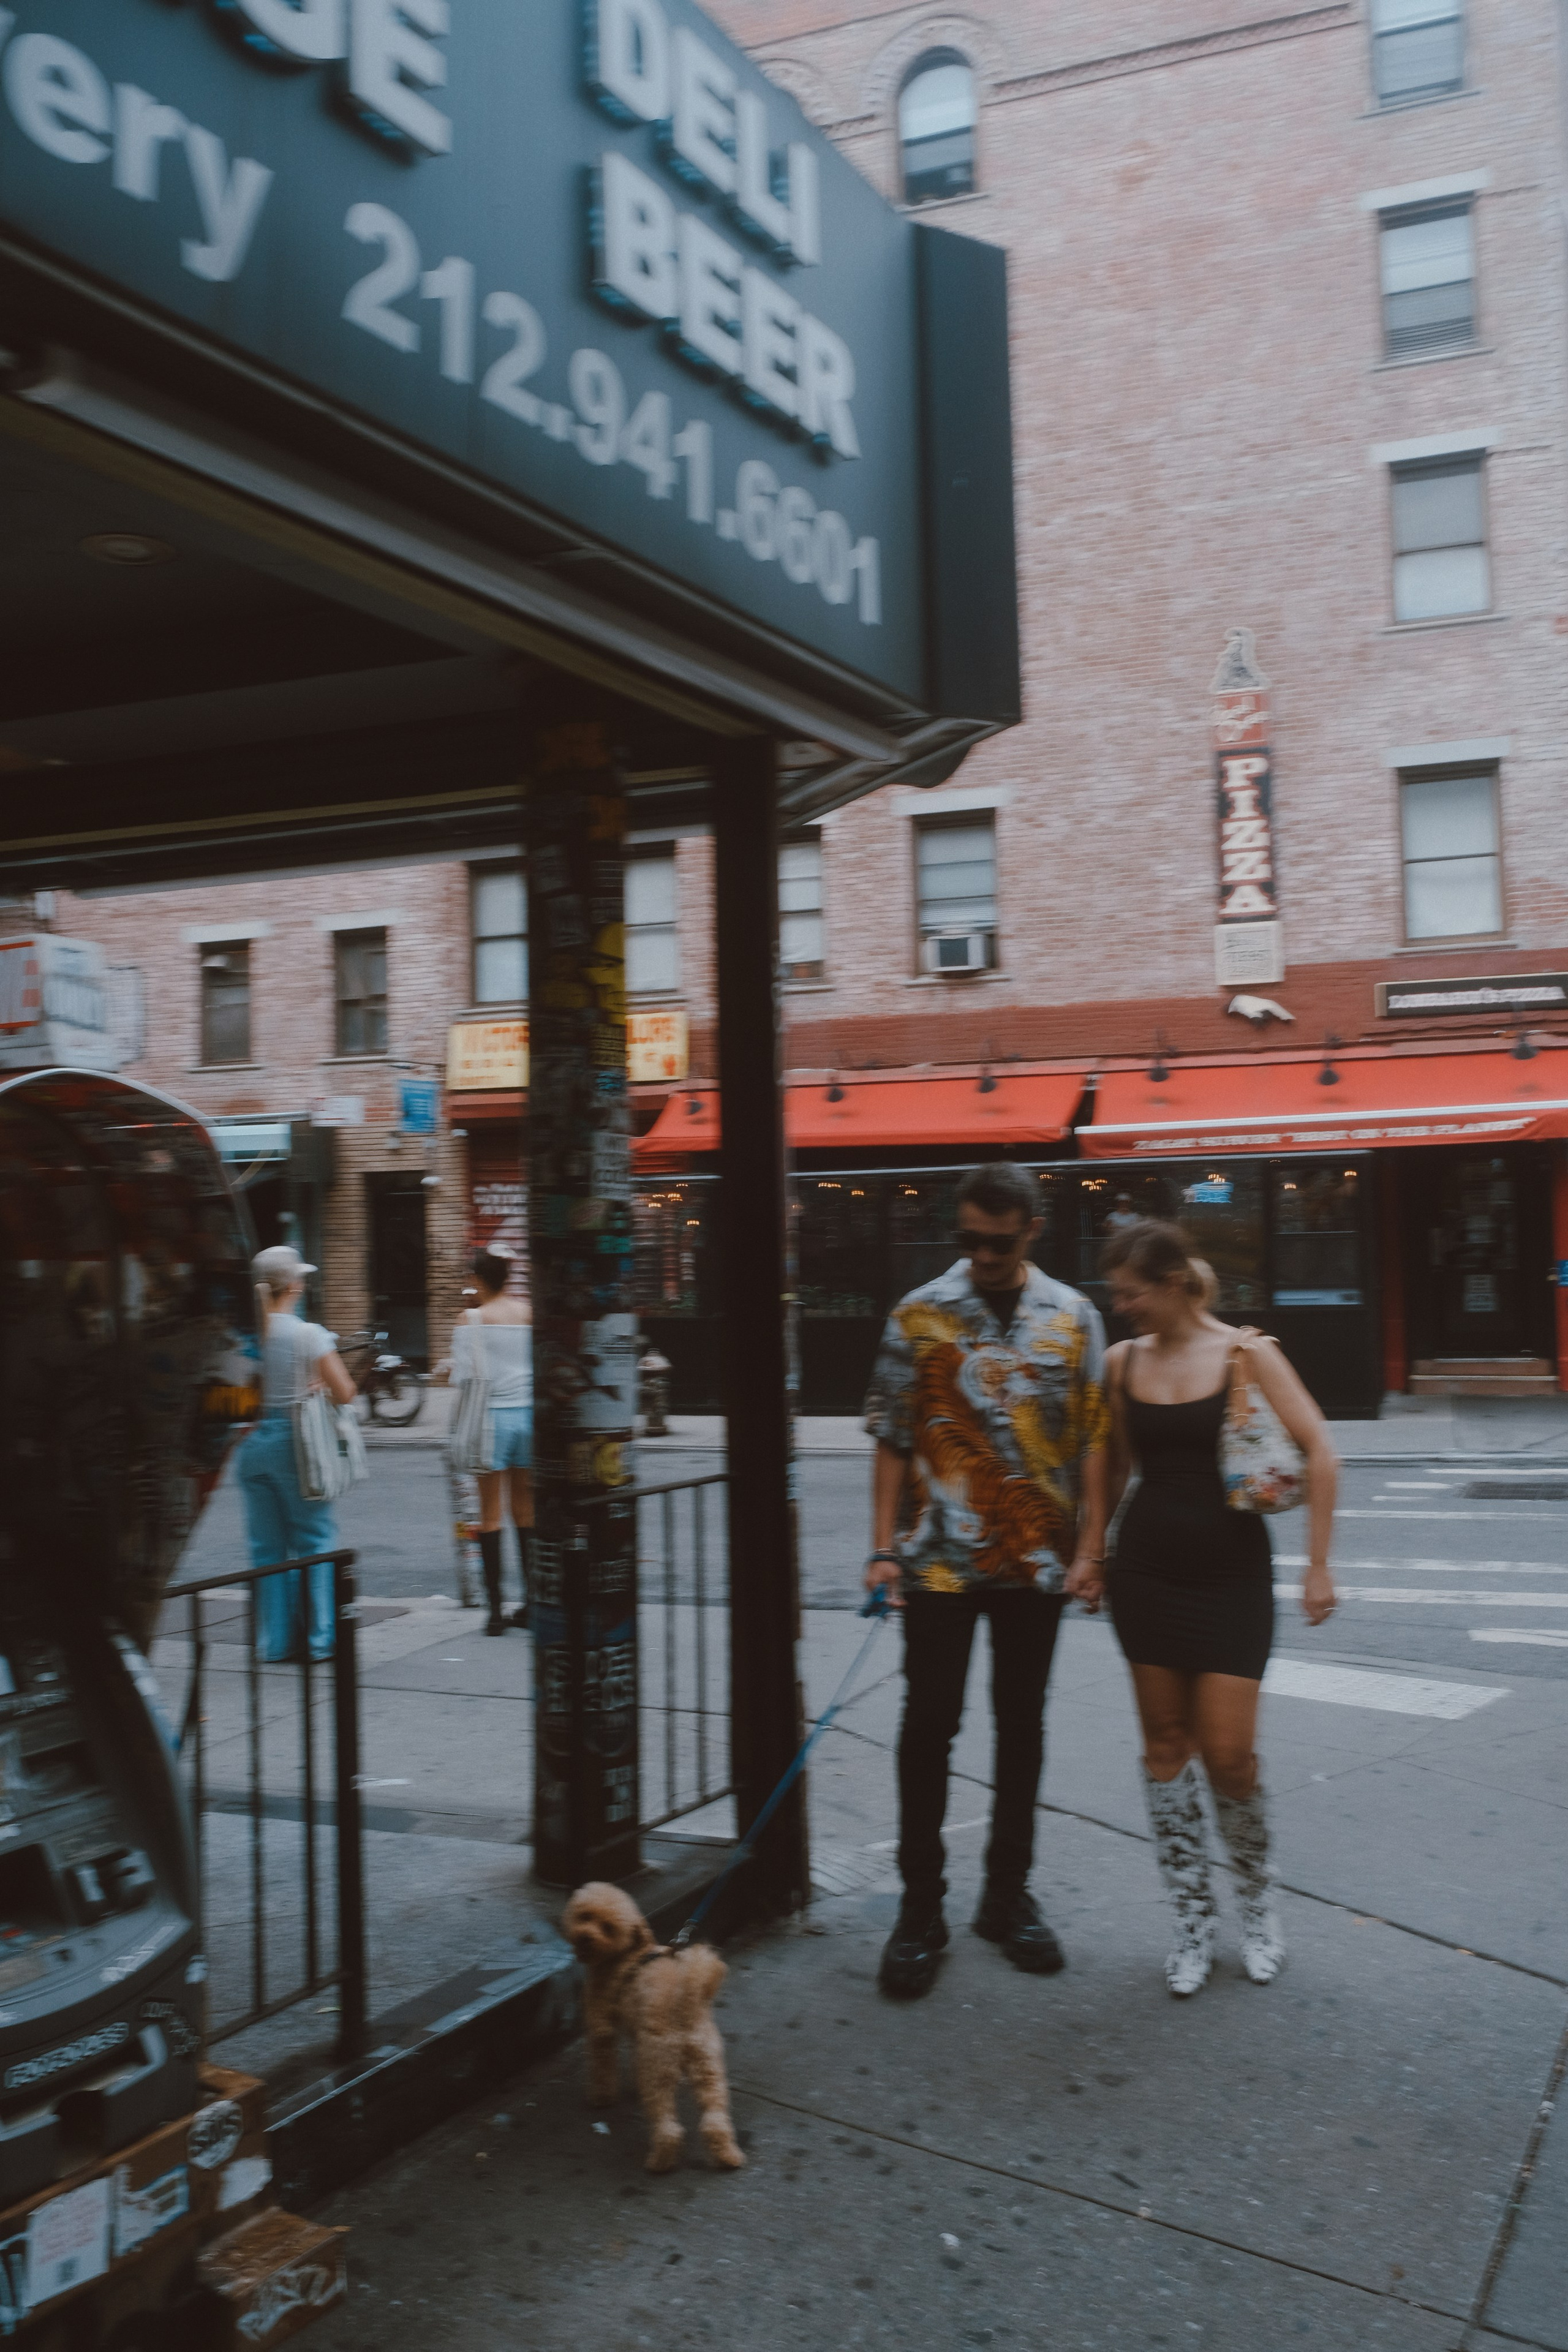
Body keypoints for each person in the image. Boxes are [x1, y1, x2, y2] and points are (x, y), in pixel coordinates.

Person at [862, 1163, 1110, 1997]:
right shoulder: (920, 1312)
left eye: (996, 1244)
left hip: (1036, 1565)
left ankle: (1007, 1898)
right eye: (967, 1241)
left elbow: (1094, 1443)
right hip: (937, 1562)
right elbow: (893, 1435)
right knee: (927, 1730)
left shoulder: (1075, 1318)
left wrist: (1092, 1549)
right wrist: (880, 1547)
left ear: (1032, 1229)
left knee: (1021, 1729)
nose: (981, 1255)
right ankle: (920, 1909)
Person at [1085, 1219, 1338, 1997]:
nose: (1120, 1306)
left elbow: (1321, 1450)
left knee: (1229, 1757)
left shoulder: (1246, 1353)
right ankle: (1191, 1919)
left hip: (1231, 1575)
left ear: (1172, 1286)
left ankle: (1257, 1905)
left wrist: (1318, 1568)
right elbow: (1105, 1462)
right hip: (1147, 1574)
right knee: (1165, 1748)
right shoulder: (1121, 1363)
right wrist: (1088, 1554)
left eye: (1130, 1293)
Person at [238, 1245, 357, 1664]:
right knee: (314, 1540)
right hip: (295, 1444)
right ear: (293, 1285)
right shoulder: (307, 1334)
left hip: (252, 1446)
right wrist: (319, 1386)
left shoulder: (250, 1338)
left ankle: (274, 1643)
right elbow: (345, 1391)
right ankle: (320, 1640)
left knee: (266, 1549)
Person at [451, 1245, 533, 1637]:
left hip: (492, 1422)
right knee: (525, 1511)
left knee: (490, 1514)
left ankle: (496, 1611)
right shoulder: (528, 1313)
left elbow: (461, 1378)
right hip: (529, 1416)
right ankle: (532, 1601)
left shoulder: (470, 1320)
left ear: (479, 1280)